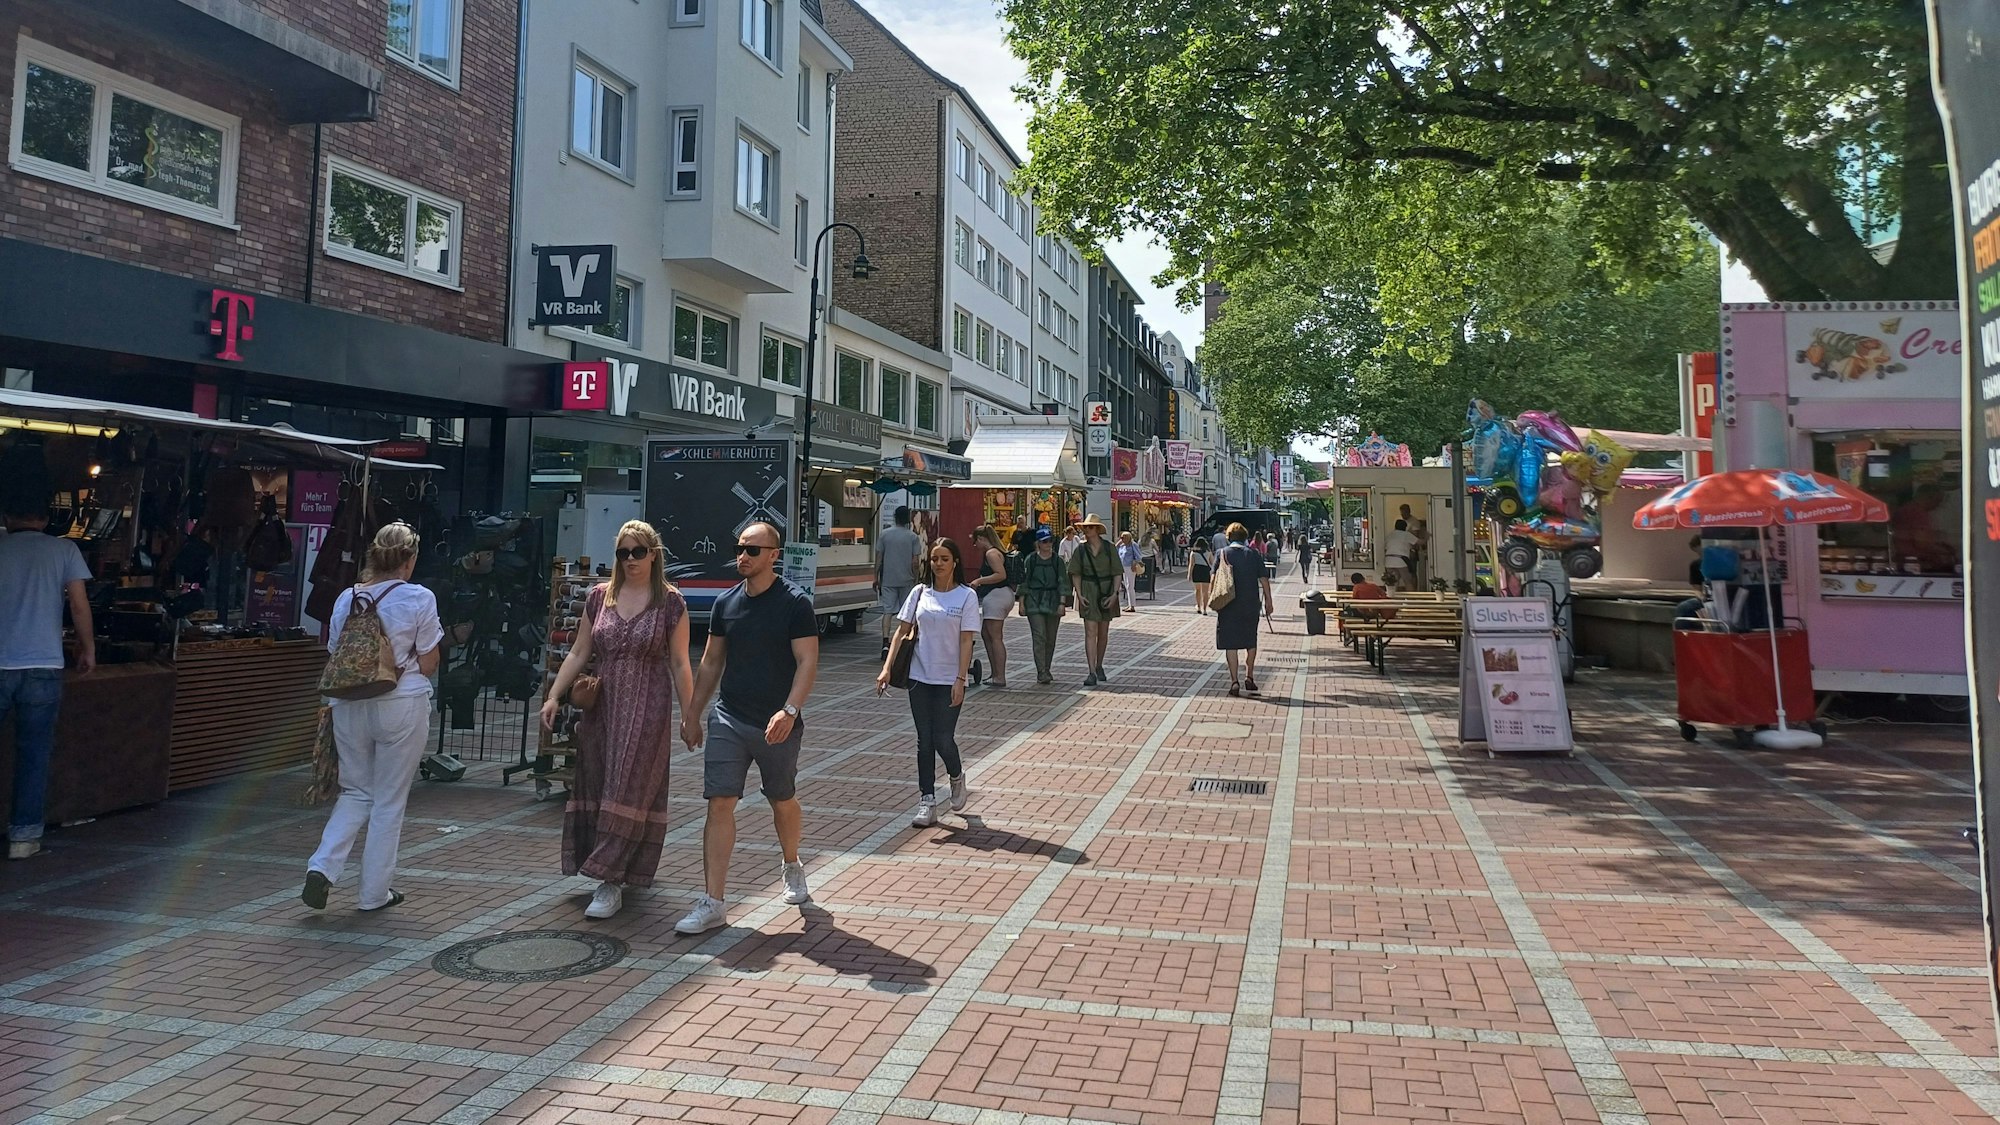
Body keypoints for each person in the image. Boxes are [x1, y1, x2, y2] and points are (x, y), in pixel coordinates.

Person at [540, 521, 694, 920]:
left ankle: (609, 881)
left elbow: (679, 662)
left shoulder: (671, 603)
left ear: (654, 554)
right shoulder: (599, 597)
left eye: (638, 552)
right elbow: (578, 651)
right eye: (623, 553)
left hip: (648, 706)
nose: (630, 560)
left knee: (629, 784)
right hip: (604, 707)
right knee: (601, 779)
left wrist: (691, 714)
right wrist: (555, 695)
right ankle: (616, 867)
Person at [676, 521, 818, 935]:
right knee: (719, 802)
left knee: (782, 799)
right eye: (739, 548)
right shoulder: (726, 603)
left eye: (752, 550)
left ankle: (791, 863)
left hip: (777, 721)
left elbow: (808, 662)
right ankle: (713, 901)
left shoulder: (795, 604)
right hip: (729, 717)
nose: (743, 556)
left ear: (774, 555)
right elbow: (711, 661)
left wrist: (789, 711)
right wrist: (692, 713)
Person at [303, 523, 441, 910]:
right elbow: (429, 662)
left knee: (356, 791)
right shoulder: (419, 597)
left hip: (348, 703)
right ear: (409, 561)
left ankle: (322, 868)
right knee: (388, 801)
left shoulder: (347, 598)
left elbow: (335, 650)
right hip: (401, 702)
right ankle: (373, 894)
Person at [0, 483, 95, 861]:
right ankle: (23, 838)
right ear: (45, 518)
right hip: (43, 664)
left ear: (7, 518)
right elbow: (79, 607)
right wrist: (86, 648)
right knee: (34, 753)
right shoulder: (64, 550)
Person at [877, 538, 978, 826]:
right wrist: (887, 668)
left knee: (943, 739)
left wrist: (961, 678)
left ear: (955, 561)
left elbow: (966, 639)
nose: (939, 564)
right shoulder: (920, 593)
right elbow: (901, 632)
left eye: (945, 558)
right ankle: (927, 800)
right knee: (924, 741)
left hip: (949, 677)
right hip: (919, 675)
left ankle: (956, 776)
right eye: (934, 558)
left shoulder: (966, 596)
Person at [1215, 523, 1274, 697]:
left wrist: (1214, 600)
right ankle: (1249, 675)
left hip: (1228, 604)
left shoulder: (1222, 554)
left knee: (1230, 643)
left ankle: (1234, 681)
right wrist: (1269, 602)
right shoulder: (1253, 554)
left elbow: (1214, 579)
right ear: (1245, 537)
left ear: (1228, 537)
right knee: (1250, 640)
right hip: (1250, 604)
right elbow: (1264, 580)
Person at [1067, 514, 1121, 686]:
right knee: (1090, 632)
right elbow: (1075, 573)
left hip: (1106, 590)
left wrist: (1114, 594)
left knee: (1103, 632)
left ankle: (1099, 665)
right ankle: (1091, 671)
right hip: (1089, 590)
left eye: (1090, 527)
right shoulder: (1080, 550)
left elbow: (1117, 572)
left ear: (1097, 529)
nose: (1086, 530)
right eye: (1085, 527)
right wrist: (1079, 593)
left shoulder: (1109, 548)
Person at [875, 505, 925, 659]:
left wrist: (875, 576)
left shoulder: (884, 535)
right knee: (908, 613)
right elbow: (915, 562)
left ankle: (885, 642)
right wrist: (916, 578)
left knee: (888, 611)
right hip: (907, 579)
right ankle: (905, 642)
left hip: (888, 579)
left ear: (895, 517)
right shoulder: (912, 537)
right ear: (908, 519)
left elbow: (879, 558)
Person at [1020, 528, 1068, 684]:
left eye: (1050, 540)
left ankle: (1047, 668)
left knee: (1051, 638)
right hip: (1034, 600)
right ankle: (1041, 671)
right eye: (1044, 541)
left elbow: (1063, 582)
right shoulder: (1031, 560)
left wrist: (1062, 603)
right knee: (1039, 636)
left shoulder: (1057, 561)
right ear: (1038, 543)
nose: (1048, 544)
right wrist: (1021, 603)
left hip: (1053, 600)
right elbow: (1024, 582)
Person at [968, 524, 1013, 688]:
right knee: (986, 633)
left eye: (975, 542)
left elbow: (1001, 575)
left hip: (997, 596)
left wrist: (979, 581)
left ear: (981, 538)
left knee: (995, 636)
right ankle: (995, 673)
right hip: (998, 596)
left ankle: (1000, 676)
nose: (975, 546)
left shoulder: (991, 553)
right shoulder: (994, 552)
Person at [1383, 519, 1419, 590]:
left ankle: (1392, 597)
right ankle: (1411, 599)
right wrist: (1427, 536)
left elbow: (1385, 548)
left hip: (1389, 560)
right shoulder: (1406, 534)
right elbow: (1419, 542)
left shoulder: (1390, 535)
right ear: (1405, 527)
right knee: (1408, 581)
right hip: (1401, 560)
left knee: (1392, 582)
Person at [1116, 530, 1141, 611]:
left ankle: (1132, 605)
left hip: (1130, 567)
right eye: (1121, 537)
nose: (1122, 539)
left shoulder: (1133, 545)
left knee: (1130, 586)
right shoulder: (1122, 546)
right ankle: (1130, 604)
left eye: (1124, 537)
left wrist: (1134, 563)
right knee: (1127, 586)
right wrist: (1118, 543)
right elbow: (1115, 551)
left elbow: (1138, 556)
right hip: (1123, 566)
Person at [1188, 537, 1214, 615]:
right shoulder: (1208, 552)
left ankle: (1199, 606)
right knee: (1205, 592)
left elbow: (1191, 564)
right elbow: (1212, 562)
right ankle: (1205, 609)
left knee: (1197, 590)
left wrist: (1189, 574)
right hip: (1205, 570)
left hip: (1197, 570)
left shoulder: (1193, 552)